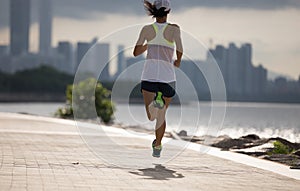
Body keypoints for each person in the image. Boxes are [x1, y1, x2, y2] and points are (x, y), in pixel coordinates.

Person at [133, 0, 183, 157]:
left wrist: (150, 44)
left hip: (149, 76)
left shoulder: (147, 29)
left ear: (154, 10)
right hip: (168, 78)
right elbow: (180, 49)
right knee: (161, 117)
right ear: (168, 11)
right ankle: (158, 144)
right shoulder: (174, 30)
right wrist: (178, 61)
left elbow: (135, 52)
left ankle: (156, 103)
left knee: (151, 115)